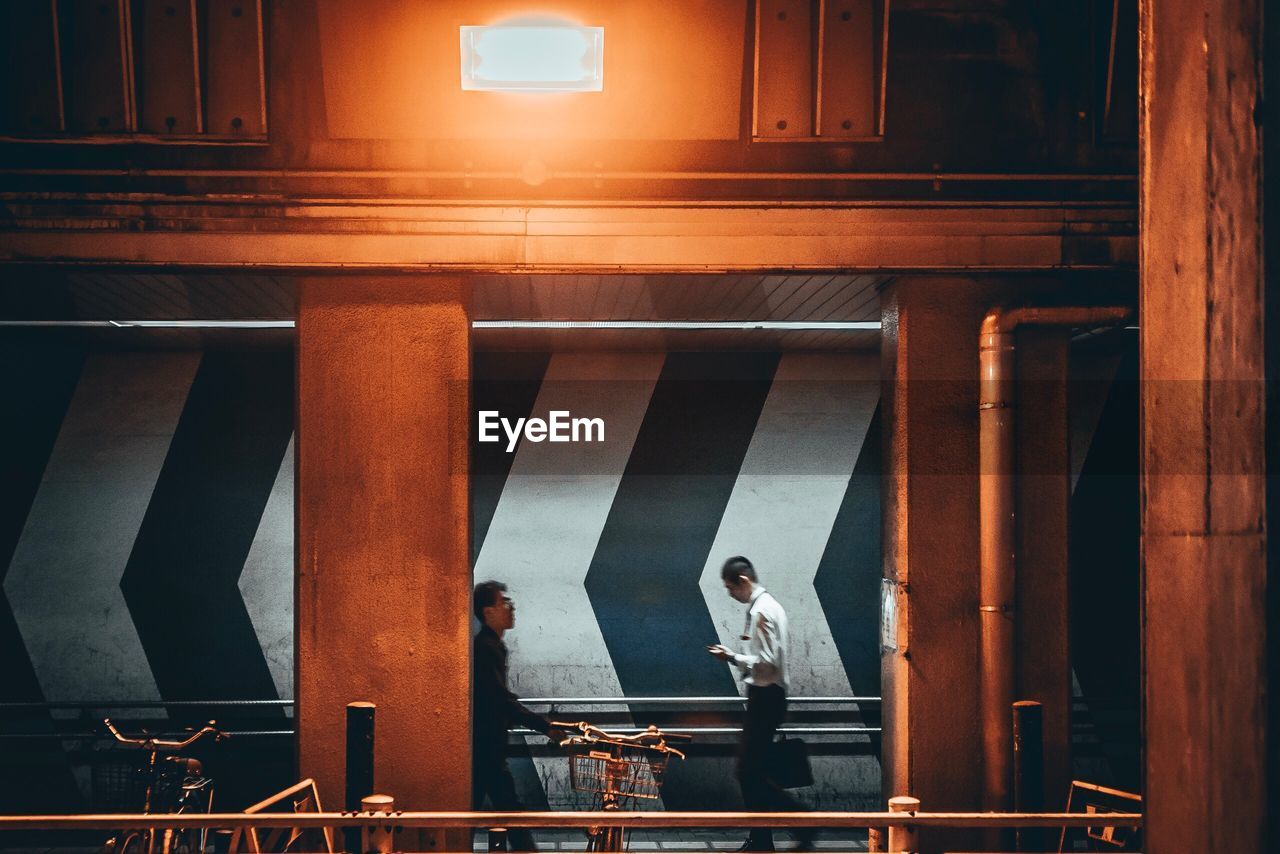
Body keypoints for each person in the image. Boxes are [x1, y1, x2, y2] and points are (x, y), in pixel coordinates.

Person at [707, 556, 814, 853]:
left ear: (743, 580)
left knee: (746, 772)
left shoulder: (762, 612)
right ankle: (762, 839)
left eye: (730, 588)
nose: (730, 595)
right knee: (755, 773)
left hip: (765, 698)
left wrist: (732, 657)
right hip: (769, 698)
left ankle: (801, 821)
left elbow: (766, 664)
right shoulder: (770, 607)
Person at [473, 580, 563, 852]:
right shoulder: (487, 648)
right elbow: (499, 699)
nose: (511, 608)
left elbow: (500, 697)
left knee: (483, 811)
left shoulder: (490, 646)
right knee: (510, 812)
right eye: (504, 602)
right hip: (487, 749)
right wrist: (544, 726)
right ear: (488, 612)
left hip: (486, 749)